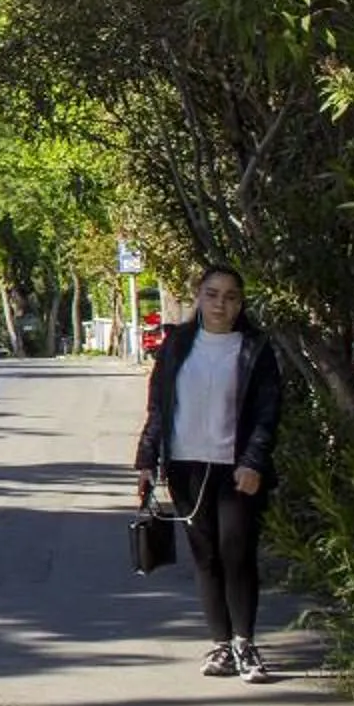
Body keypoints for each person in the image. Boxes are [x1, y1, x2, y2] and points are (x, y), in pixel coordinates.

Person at [133, 264, 282, 683]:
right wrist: (146, 460)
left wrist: (253, 461)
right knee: (206, 556)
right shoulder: (178, 344)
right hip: (186, 466)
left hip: (236, 469)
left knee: (238, 552)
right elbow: (159, 407)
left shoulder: (255, 347)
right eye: (212, 294)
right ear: (198, 296)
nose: (221, 304)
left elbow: (268, 412)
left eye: (231, 296)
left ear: (241, 303)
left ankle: (245, 644)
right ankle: (221, 645)